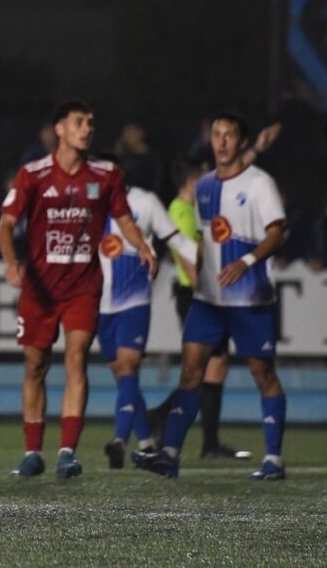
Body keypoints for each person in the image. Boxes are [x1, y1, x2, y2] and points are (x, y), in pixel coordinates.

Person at [0, 100, 156, 479]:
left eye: (90, 122)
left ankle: (67, 451)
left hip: (83, 286)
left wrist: (143, 246)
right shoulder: (32, 175)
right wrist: (10, 262)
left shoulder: (106, 175)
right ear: (60, 130)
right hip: (39, 289)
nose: (88, 128)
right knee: (35, 366)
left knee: (76, 358)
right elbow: (5, 225)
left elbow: (124, 219)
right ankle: (33, 451)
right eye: (79, 122)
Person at [132, 112, 287, 480]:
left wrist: (247, 261)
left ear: (240, 140)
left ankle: (274, 460)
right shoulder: (203, 187)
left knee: (262, 373)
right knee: (191, 373)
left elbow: (277, 231)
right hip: (207, 300)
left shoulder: (261, 184)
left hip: (249, 297)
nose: (221, 141)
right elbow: (204, 238)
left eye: (229, 135)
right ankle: (169, 454)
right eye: (216, 134)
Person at [95, 153, 197, 469]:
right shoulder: (87, 210)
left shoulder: (145, 202)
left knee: (127, 368)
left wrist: (206, 264)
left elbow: (176, 240)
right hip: (100, 306)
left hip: (134, 301)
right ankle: (147, 441)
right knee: (123, 376)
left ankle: (119, 441)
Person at [146, 158, 250, 460]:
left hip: (200, 294)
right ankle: (196, 436)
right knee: (205, 367)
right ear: (192, 181)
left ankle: (203, 439)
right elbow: (186, 260)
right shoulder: (179, 211)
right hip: (194, 296)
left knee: (211, 367)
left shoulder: (192, 210)